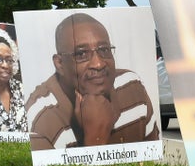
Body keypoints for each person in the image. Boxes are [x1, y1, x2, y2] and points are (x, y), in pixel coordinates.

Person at [26, 13, 159, 150]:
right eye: (81, 54)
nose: (98, 64)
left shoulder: (131, 85)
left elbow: (152, 163)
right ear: (60, 64)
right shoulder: (38, 119)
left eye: (104, 50)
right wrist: (95, 140)